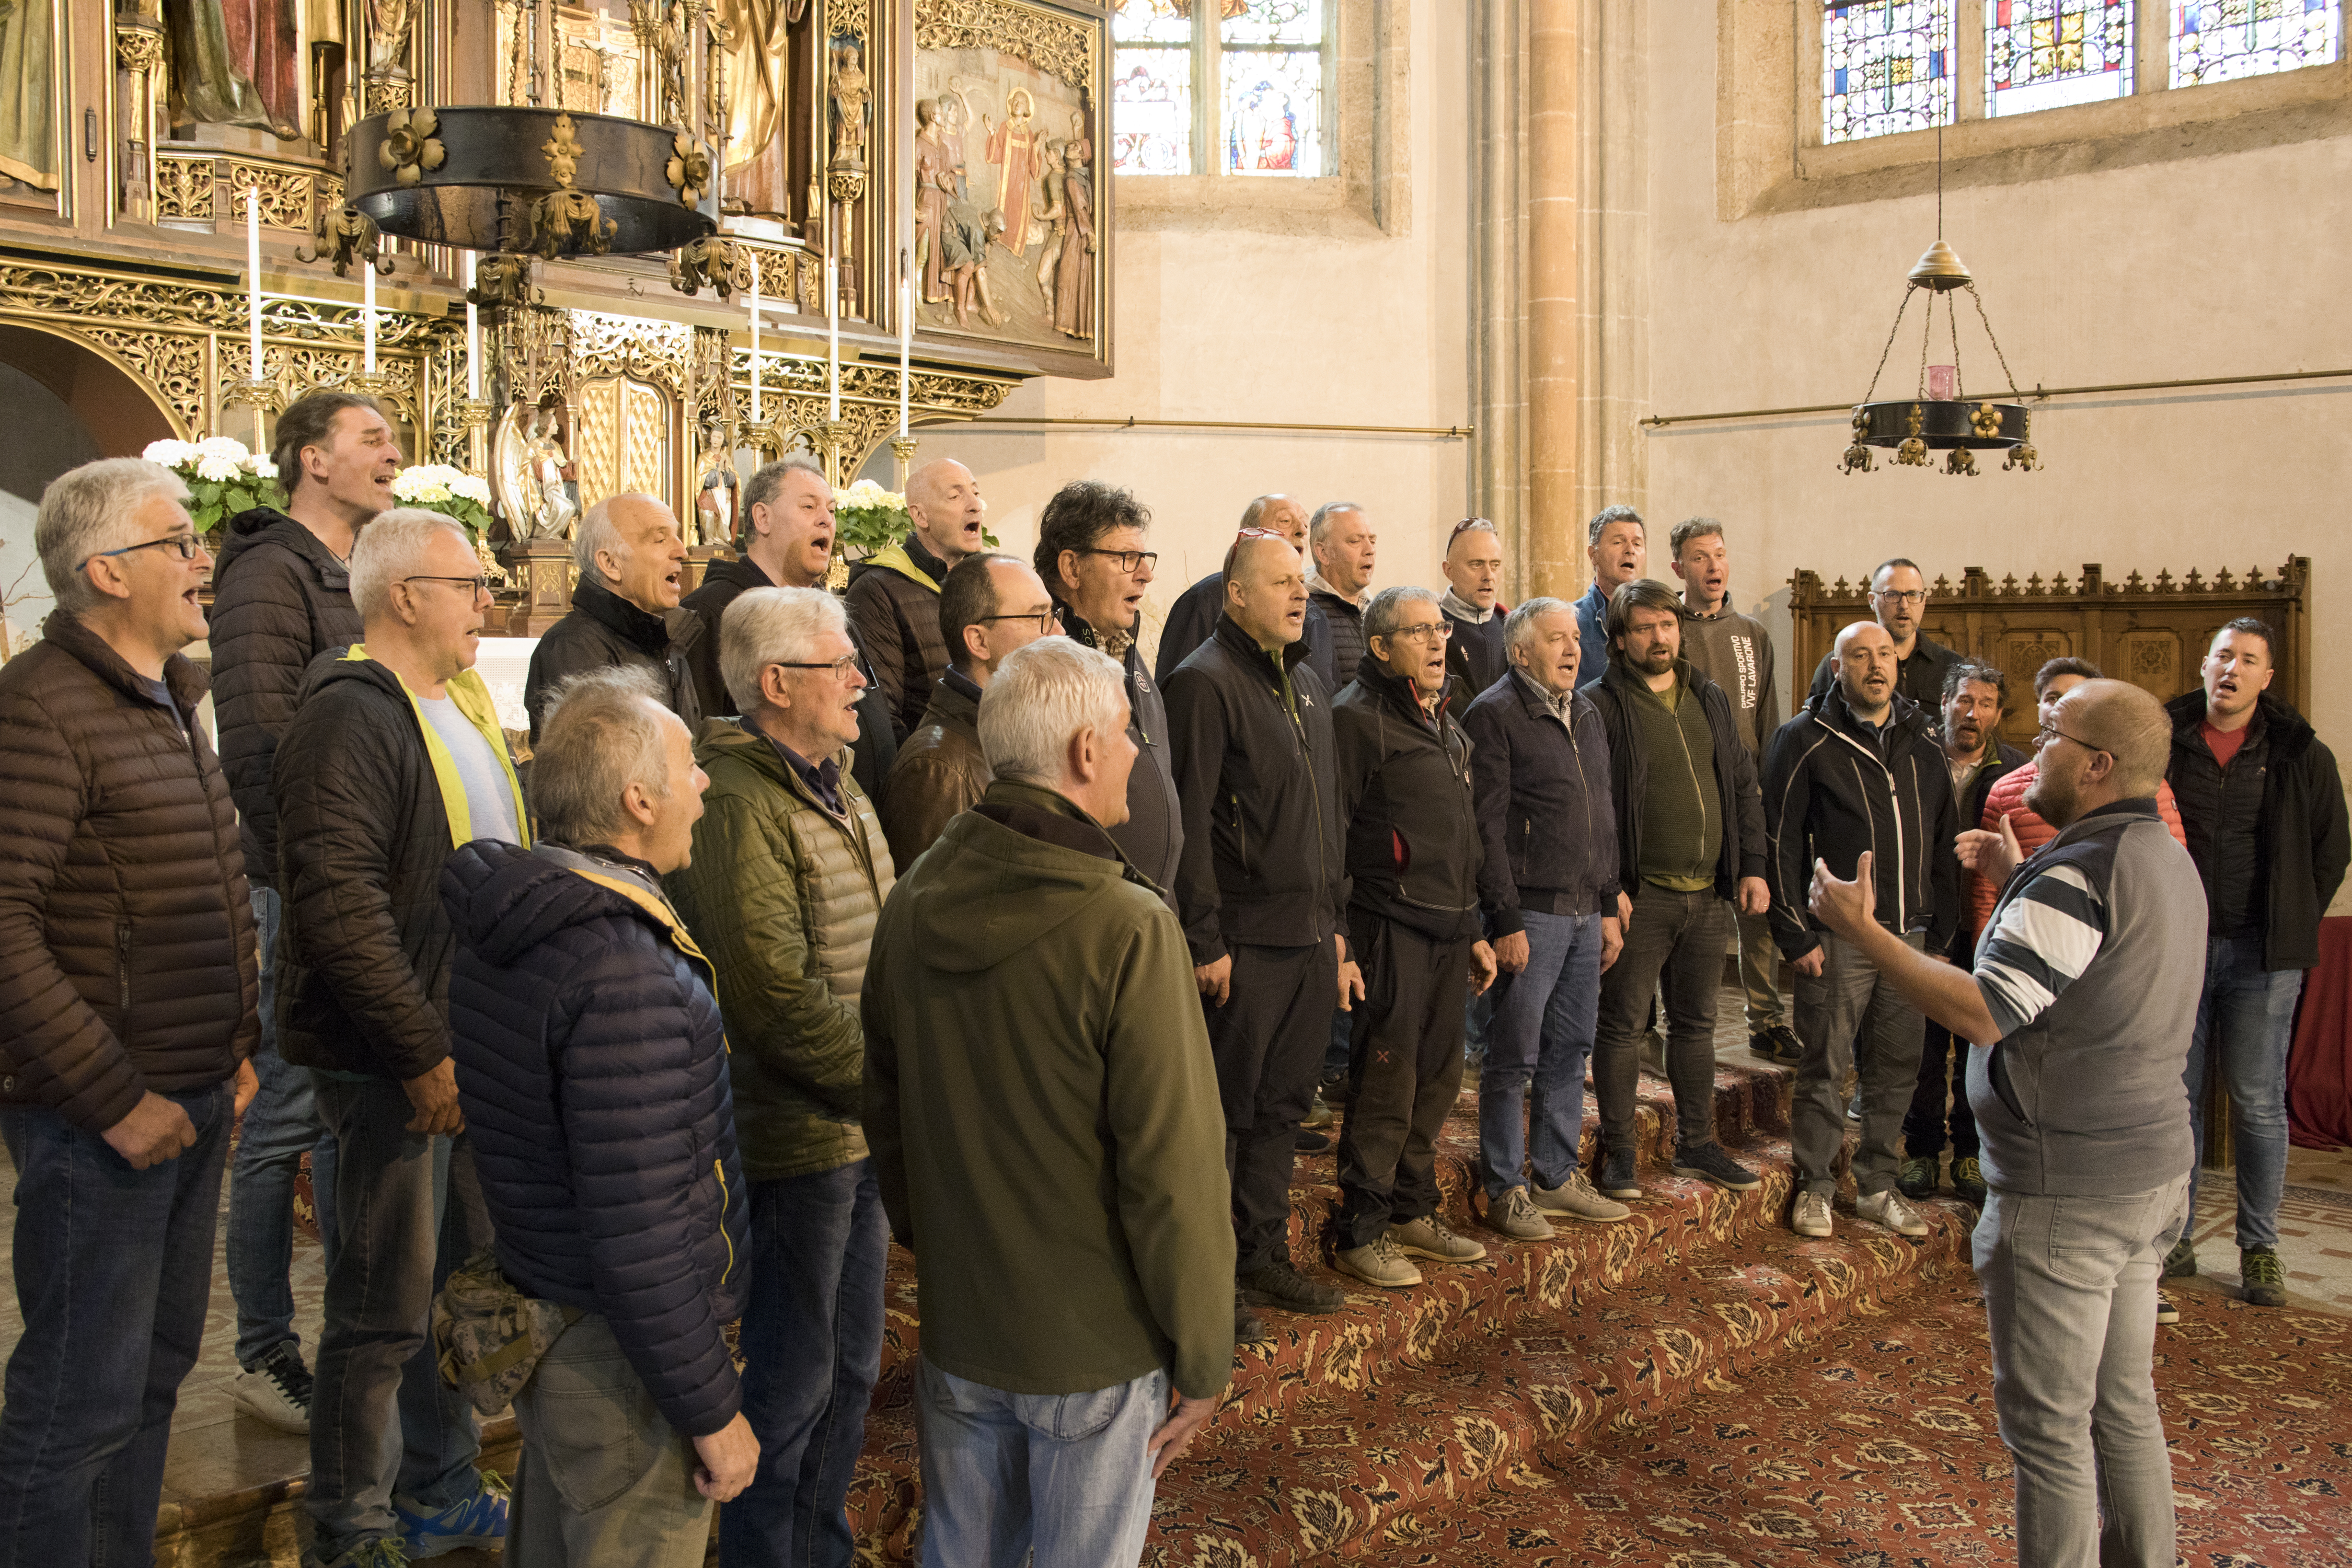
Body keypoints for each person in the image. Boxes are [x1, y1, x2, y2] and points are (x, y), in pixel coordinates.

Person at [1809, 677, 2204, 1568]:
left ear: (2099, 766)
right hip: (2149, 1175)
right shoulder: (2158, 854)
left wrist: (1863, 932)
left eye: (2056, 736)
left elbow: (1988, 1010)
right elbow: (2100, 973)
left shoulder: (2077, 871)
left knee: (2054, 1433)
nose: (2034, 751)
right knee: (2123, 1406)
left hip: (2069, 1190)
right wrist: (2012, 875)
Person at [863, 637, 1232, 1568]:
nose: (1138, 754)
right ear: (1082, 753)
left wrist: (941, 1244)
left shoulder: (910, 900)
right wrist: (1202, 1354)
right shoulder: (1129, 925)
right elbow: (1173, 1173)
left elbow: (887, 1112)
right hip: (1092, 1346)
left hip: (961, 1326)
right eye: (1123, 734)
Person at [0, 458, 261, 1560]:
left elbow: (204, 883)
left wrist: (235, 1047)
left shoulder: (164, 697)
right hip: (99, 1117)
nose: (202, 564)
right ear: (106, 571)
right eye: (178, 544)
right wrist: (113, 1097)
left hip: (186, 1091)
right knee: (77, 1403)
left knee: (151, 1379)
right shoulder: (42, 707)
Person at [442, 668, 757, 1566]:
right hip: (621, 1363)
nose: (704, 785)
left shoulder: (530, 920)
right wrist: (711, 1410)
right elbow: (642, 1228)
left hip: (560, 1315)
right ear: (637, 798)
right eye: (690, 767)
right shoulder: (625, 974)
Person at [275, 509, 524, 1567]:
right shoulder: (350, 714)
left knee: (461, 1287)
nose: (488, 600)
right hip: (394, 1060)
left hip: (471, 1048)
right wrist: (422, 1053)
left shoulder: (454, 698)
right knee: (380, 1309)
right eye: (471, 582)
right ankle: (349, 1525)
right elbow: (339, 905)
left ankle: (440, 1485)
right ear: (406, 594)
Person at [664, 586, 897, 1568]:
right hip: (797, 1138)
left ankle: (822, 1549)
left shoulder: (835, 780)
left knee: (853, 1372)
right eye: (839, 665)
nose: (860, 682)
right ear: (774, 684)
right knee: (794, 1383)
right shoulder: (738, 801)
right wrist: (893, 1093)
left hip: (858, 1129)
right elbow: (772, 998)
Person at [211, 388, 394, 1431]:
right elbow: (259, 747)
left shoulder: (346, 573)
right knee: (282, 1118)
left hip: (352, 879)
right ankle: (262, 1346)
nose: (392, 453)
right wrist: (323, 875)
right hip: (301, 884)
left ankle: (344, 1334)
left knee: (335, 1113)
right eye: (371, 438)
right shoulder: (271, 576)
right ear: (309, 461)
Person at [1163, 532, 1354, 1339]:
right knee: (1228, 1117)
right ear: (1236, 593)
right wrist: (1205, 939)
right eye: (1280, 582)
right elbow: (1191, 824)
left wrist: (1337, 930)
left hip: (1310, 938)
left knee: (1281, 1109)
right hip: (1243, 940)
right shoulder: (1202, 683)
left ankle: (1262, 1253)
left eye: (1301, 582)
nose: (1298, 593)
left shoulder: (1308, 679)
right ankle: (1213, 1279)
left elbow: (1327, 816)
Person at [2163, 618, 2348, 1307]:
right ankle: (2174, 1233)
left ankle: (2260, 1246)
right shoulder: (2165, 738)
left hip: (2261, 954)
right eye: (2221, 656)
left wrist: (2295, 911)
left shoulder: (2301, 752)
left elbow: (2332, 847)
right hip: (2178, 948)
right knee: (2174, 1099)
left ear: (2267, 676)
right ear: (2205, 666)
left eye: (2247, 659)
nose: (2231, 668)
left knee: (2258, 1103)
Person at [1328, 586, 1502, 1287]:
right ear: (1380, 646)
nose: (1439, 643)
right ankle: (1361, 1228)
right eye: (1420, 632)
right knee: (1388, 1081)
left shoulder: (1444, 723)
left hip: (1448, 928)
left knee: (1437, 1077)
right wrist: (1339, 938)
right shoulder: (1355, 720)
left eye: (1440, 630)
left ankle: (1410, 1209)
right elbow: (1334, 835)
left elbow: (1459, 841)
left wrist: (1475, 930)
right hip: (1389, 925)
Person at [1763, 621, 1958, 1241]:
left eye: (1884, 655)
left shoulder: (1925, 743)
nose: (1875, 666)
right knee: (1826, 1064)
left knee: (1898, 1068)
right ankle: (1817, 1185)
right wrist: (1796, 935)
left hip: (1910, 940)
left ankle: (1877, 1185)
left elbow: (1944, 844)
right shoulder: (1803, 740)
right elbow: (1779, 845)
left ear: (1899, 664)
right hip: (1838, 940)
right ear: (1837, 667)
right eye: (1859, 657)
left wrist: (1943, 933)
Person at [1586, 579, 1771, 1200]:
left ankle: (1696, 1144)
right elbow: (1595, 810)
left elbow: (1742, 785)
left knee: (1695, 1025)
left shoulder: (1709, 696)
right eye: (1643, 627)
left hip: (1709, 894)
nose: (1659, 636)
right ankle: (1619, 1156)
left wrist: (1751, 865)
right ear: (1619, 640)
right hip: (1644, 896)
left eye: (1666, 624)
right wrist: (1609, 891)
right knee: (1622, 1027)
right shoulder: (1601, 705)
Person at [1462, 597, 1631, 1239]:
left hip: (1588, 910)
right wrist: (1503, 919)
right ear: (1519, 651)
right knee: (1513, 1057)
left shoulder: (1585, 710)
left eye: (1574, 639)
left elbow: (1603, 812)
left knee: (1572, 1049)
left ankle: (1555, 1176)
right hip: (1531, 913)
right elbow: (1487, 828)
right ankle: (1505, 1187)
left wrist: (1610, 898)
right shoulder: (1495, 714)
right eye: (1556, 640)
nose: (1572, 649)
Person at [681, 456, 897, 798]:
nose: (827, 520)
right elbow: (698, 739)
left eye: (830, 509)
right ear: (762, 517)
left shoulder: (826, 611)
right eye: (809, 506)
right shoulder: (712, 611)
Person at [1898, 660, 2028, 1206]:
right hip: (1927, 921)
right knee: (1924, 1050)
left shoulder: (2018, 772)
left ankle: (1971, 1152)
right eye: (1964, 701)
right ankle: (1924, 1150)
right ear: (1945, 702)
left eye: (1986, 704)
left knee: (1980, 1046)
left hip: (1990, 926)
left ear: (1999, 714)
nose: (1973, 714)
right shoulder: (1914, 760)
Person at [1668, 516, 1793, 1065]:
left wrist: (1767, 795)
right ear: (1679, 567)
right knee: (1682, 911)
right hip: (1688, 795)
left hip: (1745, 797)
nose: (1713, 566)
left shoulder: (1751, 634)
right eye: (1700, 557)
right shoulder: (1665, 628)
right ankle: (1676, 1021)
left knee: (1756, 909)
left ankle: (1765, 1020)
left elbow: (1767, 719)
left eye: (1719, 554)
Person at [1035, 480, 1184, 893]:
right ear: (1072, 568)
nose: (1147, 574)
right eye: (1126, 557)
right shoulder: (1044, 670)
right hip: (1092, 917)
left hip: (1152, 912)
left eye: (1144, 557)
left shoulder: (1126, 650)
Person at [879, 550, 1057, 867]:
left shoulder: (1016, 731)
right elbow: (935, 907)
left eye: (1053, 615)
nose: (1058, 632)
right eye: (1037, 617)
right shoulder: (936, 768)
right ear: (979, 641)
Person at [524, 492, 702, 742]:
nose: (682, 551)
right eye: (660, 540)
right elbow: (596, 770)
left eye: (677, 536)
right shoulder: (571, 648)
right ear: (611, 564)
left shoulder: (666, 634)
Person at [845, 457, 986, 740]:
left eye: (976, 493)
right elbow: (882, 719)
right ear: (920, 516)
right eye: (956, 496)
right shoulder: (878, 589)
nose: (975, 505)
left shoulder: (986, 581)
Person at [1150, 494, 1332, 686]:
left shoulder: (1315, 614)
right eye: (1286, 521)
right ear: (1249, 534)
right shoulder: (1204, 600)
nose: (1302, 531)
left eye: (1305, 524)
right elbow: (1178, 690)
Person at [1805, 557, 1963, 709]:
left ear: (1924, 601)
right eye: (1892, 595)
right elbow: (1813, 727)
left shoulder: (1952, 666)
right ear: (1872, 601)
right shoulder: (1841, 662)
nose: (1904, 606)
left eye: (1913, 595)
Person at [1438, 517, 1509, 704]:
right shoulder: (1430, 630)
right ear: (1449, 570)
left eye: (1495, 565)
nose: (1488, 576)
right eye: (1476, 565)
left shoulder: (1512, 627)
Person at [1573, 505, 1646, 687]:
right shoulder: (1572, 620)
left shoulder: (1657, 617)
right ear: (1593, 555)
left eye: (1637, 544)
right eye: (1618, 542)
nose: (1631, 550)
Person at [1307, 500, 1376, 689]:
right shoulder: (1304, 610)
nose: (1370, 550)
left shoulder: (1378, 610)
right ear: (1323, 553)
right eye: (1355, 541)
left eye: (1373, 540)